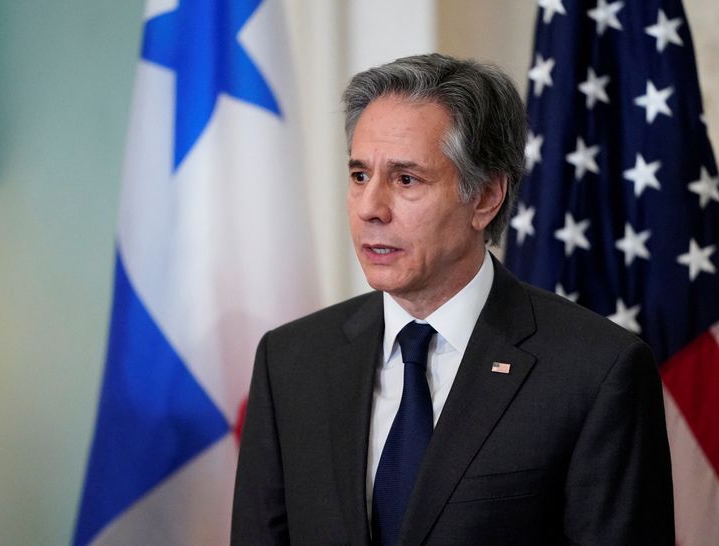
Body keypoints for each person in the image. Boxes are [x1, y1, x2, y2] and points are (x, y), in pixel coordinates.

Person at [231, 53, 674, 545]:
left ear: (485, 197)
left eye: (406, 179)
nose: (371, 208)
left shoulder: (595, 372)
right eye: (360, 176)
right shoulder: (291, 361)